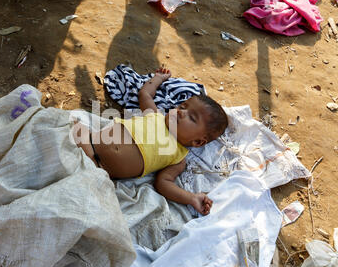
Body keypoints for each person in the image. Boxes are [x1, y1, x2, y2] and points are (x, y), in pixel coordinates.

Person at [72, 67, 228, 215]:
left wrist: (191, 197)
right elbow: (145, 94)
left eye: (192, 117)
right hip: (88, 141)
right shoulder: (155, 115)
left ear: (198, 142)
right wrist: (158, 78)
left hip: (99, 169)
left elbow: (164, 184)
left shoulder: (178, 158)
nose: (181, 113)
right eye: (182, 106)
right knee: (67, 127)